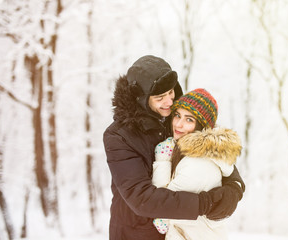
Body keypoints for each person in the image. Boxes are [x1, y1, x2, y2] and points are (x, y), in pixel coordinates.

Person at [103, 55, 245, 240]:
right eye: (160, 97)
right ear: (141, 99)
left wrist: (234, 189)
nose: (169, 102)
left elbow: (215, 152)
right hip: (137, 233)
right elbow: (141, 198)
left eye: (171, 92)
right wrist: (205, 203)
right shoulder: (119, 136)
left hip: (177, 232)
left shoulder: (176, 117)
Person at [152, 89, 243, 239]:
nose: (178, 124)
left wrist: (162, 159)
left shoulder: (197, 163)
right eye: (177, 116)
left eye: (189, 120)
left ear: (201, 126)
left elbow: (162, 212)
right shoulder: (194, 153)